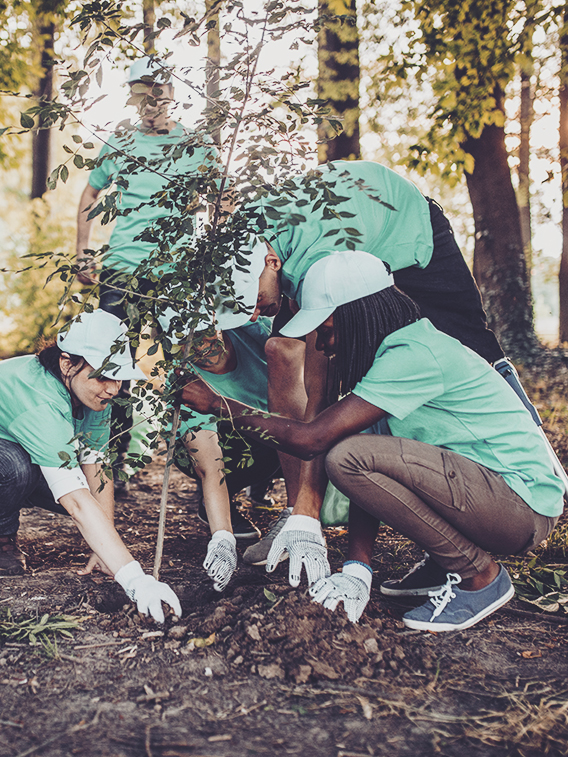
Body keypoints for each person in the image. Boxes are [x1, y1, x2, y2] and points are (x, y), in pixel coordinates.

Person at [178, 251, 564, 631]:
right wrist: (356, 570)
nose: (322, 346)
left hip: (519, 506)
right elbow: (366, 470)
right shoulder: (385, 361)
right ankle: (445, 562)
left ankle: (479, 577)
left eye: (325, 331)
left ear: (355, 315)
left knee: (345, 456)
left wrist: (219, 404)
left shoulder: (413, 354)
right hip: (491, 498)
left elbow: (314, 440)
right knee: (353, 454)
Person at [76, 56, 220, 488]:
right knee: (109, 363)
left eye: (159, 91)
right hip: (121, 271)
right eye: (143, 92)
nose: (152, 100)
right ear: (133, 97)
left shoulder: (197, 144)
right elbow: (90, 190)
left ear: (174, 94)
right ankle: (105, 465)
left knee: (190, 367)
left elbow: (223, 197)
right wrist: (83, 250)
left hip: (178, 275)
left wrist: (211, 256)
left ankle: (205, 475)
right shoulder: (120, 140)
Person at [0, 309, 181, 624]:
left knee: (50, 475)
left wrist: (104, 549)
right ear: (67, 363)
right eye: (102, 375)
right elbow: (76, 502)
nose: (112, 388)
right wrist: (135, 580)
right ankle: (3, 535)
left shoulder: (92, 394)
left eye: (118, 376)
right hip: (9, 460)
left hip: (19, 446)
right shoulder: (42, 402)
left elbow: (97, 467)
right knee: (16, 469)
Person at [159, 301, 295, 590]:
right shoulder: (186, 382)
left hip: (285, 428)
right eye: (185, 340)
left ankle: (298, 513)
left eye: (205, 332)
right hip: (241, 447)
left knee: (279, 430)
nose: (200, 345)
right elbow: (210, 465)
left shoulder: (250, 331)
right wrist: (222, 537)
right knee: (241, 444)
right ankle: (217, 506)